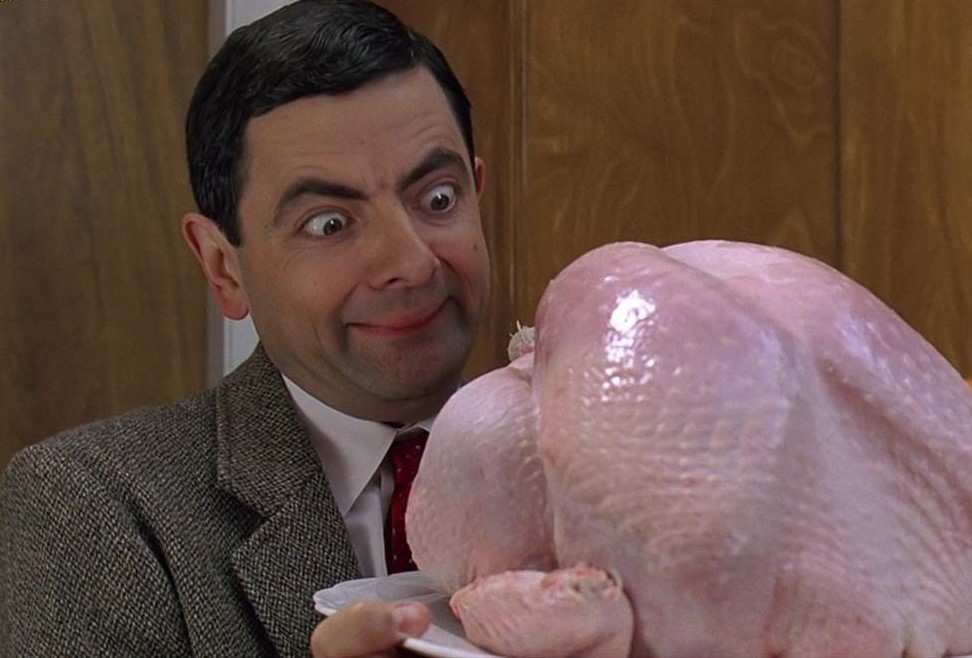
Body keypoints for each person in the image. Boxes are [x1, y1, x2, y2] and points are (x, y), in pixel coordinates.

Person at [0, 1, 489, 656]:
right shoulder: (95, 507)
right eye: (329, 224)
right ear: (223, 267)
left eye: (438, 198)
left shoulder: (585, 465)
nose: (411, 261)